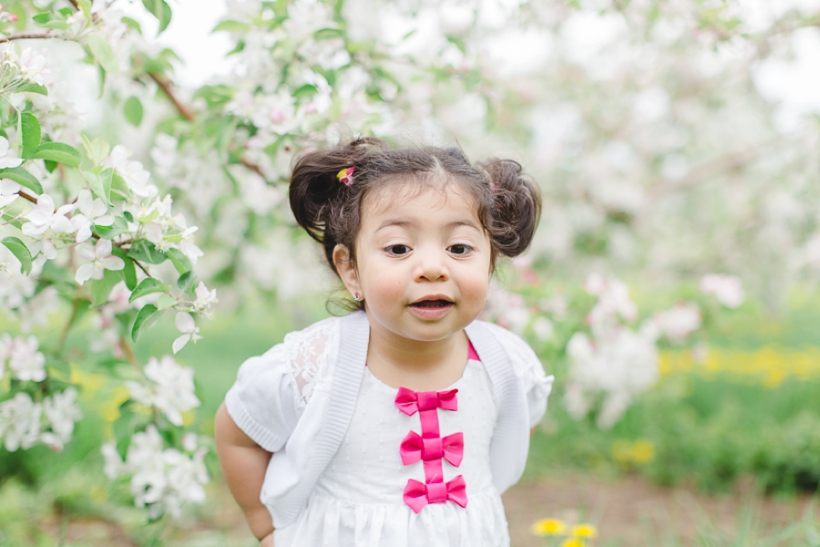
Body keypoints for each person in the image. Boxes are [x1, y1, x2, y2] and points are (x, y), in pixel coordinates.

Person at [215, 137, 554, 547]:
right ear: (351, 269)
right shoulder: (314, 365)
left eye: (459, 248)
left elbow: (520, 421)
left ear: (490, 262)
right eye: (398, 248)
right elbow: (239, 429)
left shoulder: (506, 364)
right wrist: (264, 524)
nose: (432, 268)